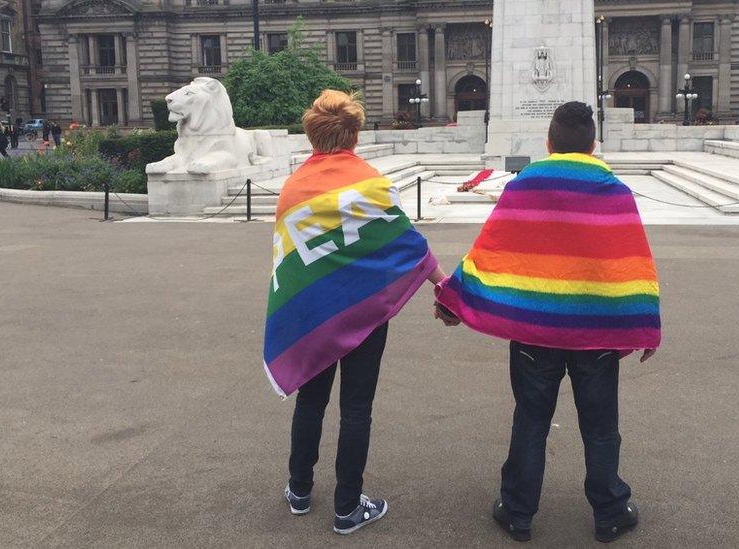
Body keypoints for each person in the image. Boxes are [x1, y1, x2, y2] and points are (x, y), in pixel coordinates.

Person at [434, 102, 662, 544]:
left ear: (549, 143)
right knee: (600, 427)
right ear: (593, 145)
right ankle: (610, 511)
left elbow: (490, 252)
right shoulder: (613, 190)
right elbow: (632, 263)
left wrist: (452, 300)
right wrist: (645, 323)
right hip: (594, 335)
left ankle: (518, 511)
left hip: (536, 332)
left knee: (531, 421)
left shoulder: (525, 185)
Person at [263, 90, 447, 535]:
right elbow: (406, 242)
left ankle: (300, 489)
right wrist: (445, 287)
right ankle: (347, 506)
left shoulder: (293, 188)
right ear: (355, 134)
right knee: (356, 408)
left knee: (311, 401)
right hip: (364, 314)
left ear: (311, 134)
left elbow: (291, 259)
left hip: (311, 314)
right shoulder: (372, 183)